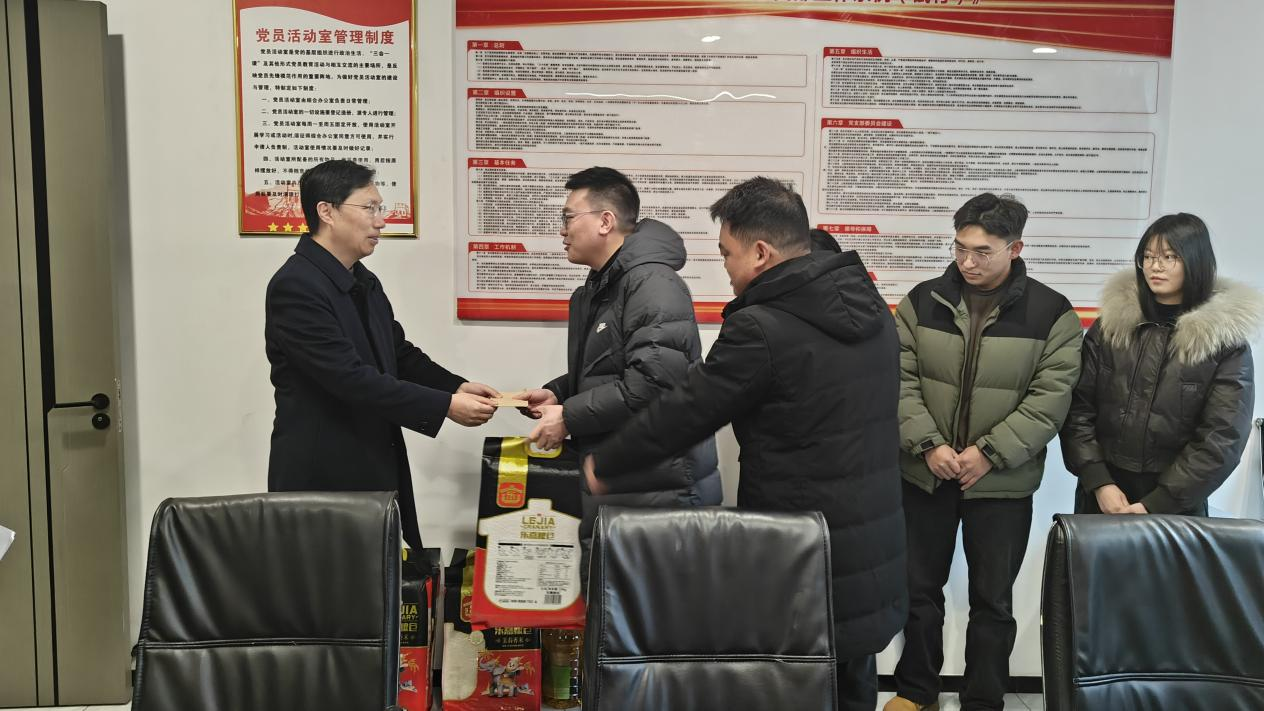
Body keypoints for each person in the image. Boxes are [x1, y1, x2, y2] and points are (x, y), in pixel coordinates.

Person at [583, 177, 907, 711]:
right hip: (871, 543)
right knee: (852, 678)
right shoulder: (869, 308)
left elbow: (690, 408)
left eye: (726, 255)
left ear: (761, 252)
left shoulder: (762, 327)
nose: (727, 269)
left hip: (802, 546)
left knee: (795, 688)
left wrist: (610, 459)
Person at [887, 193, 1082, 711]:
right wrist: (928, 444)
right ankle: (916, 691)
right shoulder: (922, 301)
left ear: (1015, 248)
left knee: (992, 601)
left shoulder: (1052, 313)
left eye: (982, 252)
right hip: (925, 473)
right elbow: (897, 379)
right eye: (960, 248)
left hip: (1002, 483)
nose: (967, 262)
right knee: (918, 590)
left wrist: (989, 453)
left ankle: (984, 699)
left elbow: (1051, 398)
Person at [266, 159, 499, 549]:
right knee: (328, 578)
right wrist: (444, 406)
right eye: (369, 208)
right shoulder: (296, 286)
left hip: (372, 457)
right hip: (323, 472)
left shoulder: (362, 279)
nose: (381, 221)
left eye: (381, 208)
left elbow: (397, 353)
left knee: (376, 575)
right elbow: (349, 378)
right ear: (327, 212)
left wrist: (457, 387)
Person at [517, 167, 722, 549]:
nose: (562, 230)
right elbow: (611, 368)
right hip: (628, 480)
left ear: (605, 221)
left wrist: (569, 416)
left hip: (662, 488)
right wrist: (559, 393)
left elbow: (655, 384)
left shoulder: (652, 283)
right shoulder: (606, 284)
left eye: (568, 217)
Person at [1061, 213, 1261, 516]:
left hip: (1176, 504)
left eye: (1170, 257)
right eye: (1148, 256)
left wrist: (1158, 503)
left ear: (1195, 261)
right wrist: (1099, 481)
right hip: (1103, 494)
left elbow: (1222, 436)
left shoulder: (1223, 342)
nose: (1156, 266)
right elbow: (1077, 407)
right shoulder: (1111, 328)